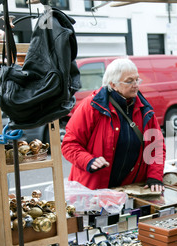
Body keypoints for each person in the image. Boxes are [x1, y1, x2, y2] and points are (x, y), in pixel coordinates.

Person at [62, 58, 166, 192]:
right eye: (129, 81)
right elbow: (69, 145)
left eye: (137, 80)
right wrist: (89, 160)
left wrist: (155, 176)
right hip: (92, 190)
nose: (135, 85)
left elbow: (156, 146)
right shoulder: (91, 107)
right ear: (113, 84)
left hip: (129, 189)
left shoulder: (144, 108)